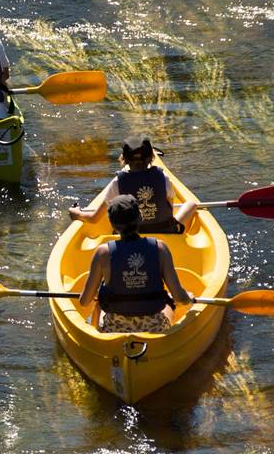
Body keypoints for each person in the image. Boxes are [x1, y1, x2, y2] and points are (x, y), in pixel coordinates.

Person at [77, 195, 194, 333]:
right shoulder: (160, 248)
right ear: (140, 218)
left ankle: (97, 335)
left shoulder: (103, 253)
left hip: (115, 329)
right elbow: (180, 298)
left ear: (112, 224)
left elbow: (84, 302)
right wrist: (189, 298)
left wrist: (98, 293)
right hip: (153, 328)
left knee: (99, 304)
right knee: (169, 303)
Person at [68, 134, 198, 234]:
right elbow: (170, 203)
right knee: (191, 204)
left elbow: (94, 218)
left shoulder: (117, 183)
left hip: (131, 236)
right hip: (167, 232)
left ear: (124, 159)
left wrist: (76, 213)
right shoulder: (163, 178)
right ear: (151, 158)